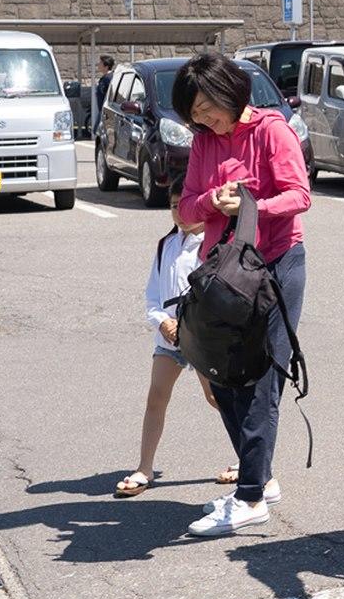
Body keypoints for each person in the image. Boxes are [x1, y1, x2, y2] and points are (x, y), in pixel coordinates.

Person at [174, 54, 312, 538]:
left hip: (274, 264)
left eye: (209, 108)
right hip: (222, 271)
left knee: (260, 377)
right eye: (195, 113)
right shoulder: (202, 143)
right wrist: (212, 201)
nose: (204, 119)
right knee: (222, 372)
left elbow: (300, 196)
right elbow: (185, 210)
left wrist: (250, 202)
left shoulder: (272, 131)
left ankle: (250, 496)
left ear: (232, 92)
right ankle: (261, 478)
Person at [113, 185, 221, 498]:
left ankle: (250, 460)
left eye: (185, 206)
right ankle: (144, 468)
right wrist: (162, 322)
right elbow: (152, 295)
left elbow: (214, 296)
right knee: (156, 398)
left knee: (217, 398)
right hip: (169, 339)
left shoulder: (211, 245)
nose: (179, 213)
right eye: (173, 206)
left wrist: (188, 325)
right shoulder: (166, 245)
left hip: (201, 338)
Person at [93, 55, 114, 136]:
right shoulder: (105, 78)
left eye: (100, 63)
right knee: (99, 132)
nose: (98, 65)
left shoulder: (109, 78)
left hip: (106, 111)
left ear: (106, 66)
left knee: (97, 131)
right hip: (103, 110)